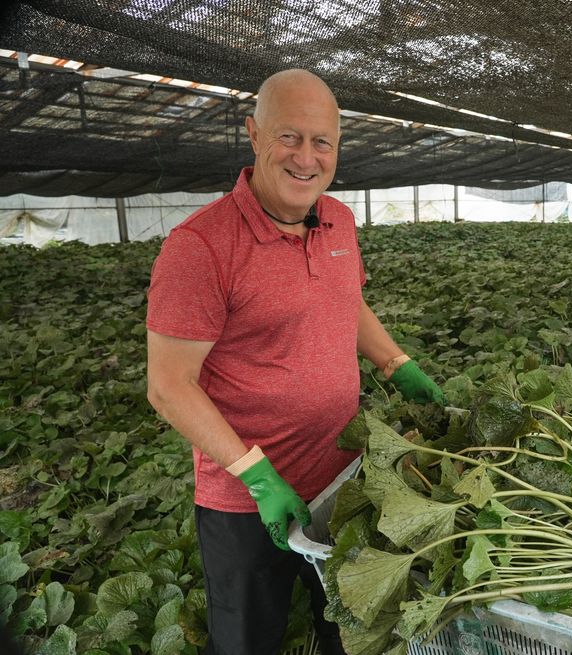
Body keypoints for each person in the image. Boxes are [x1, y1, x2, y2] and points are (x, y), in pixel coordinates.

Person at [145, 68, 444, 655]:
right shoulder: (200, 246)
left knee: (349, 628)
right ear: (254, 135)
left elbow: (342, 299)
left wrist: (395, 363)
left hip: (344, 479)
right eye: (289, 137)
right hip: (247, 499)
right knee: (247, 637)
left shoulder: (338, 219)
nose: (306, 157)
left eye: (322, 142)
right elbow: (168, 386)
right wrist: (256, 476)